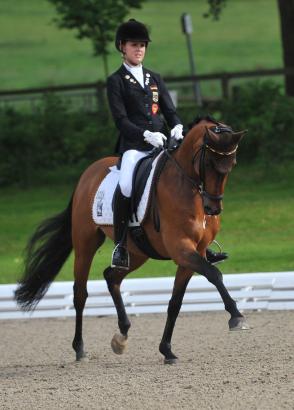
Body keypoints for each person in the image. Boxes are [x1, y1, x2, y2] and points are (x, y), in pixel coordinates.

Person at [107, 19, 227, 270]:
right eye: (133, 45)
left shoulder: (154, 78)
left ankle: (205, 243)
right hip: (133, 146)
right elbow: (120, 120)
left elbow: (169, 111)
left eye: (142, 45)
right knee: (126, 184)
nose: (138, 49)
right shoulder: (116, 81)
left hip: (162, 143)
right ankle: (120, 246)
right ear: (122, 47)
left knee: (193, 174)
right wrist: (144, 135)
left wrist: (177, 126)